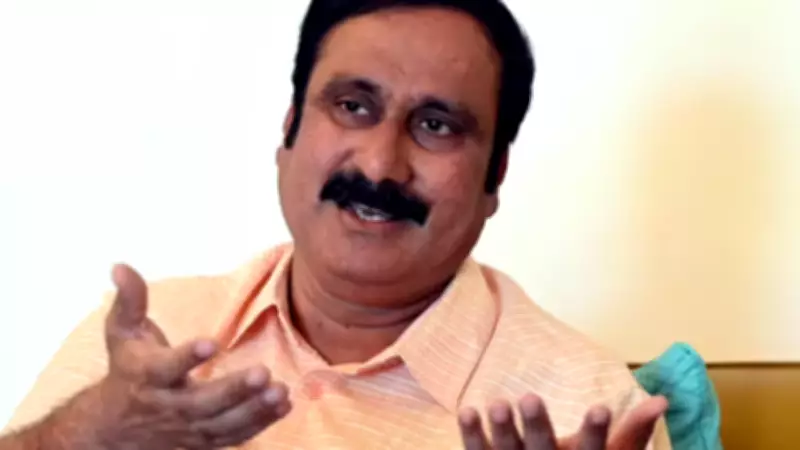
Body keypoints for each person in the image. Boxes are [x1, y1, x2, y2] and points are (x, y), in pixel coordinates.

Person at [0, 0, 673, 448]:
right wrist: (87, 433)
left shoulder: (587, 405)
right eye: (353, 106)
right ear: (290, 129)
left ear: (494, 175)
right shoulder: (152, 340)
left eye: (436, 126)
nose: (380, 165)